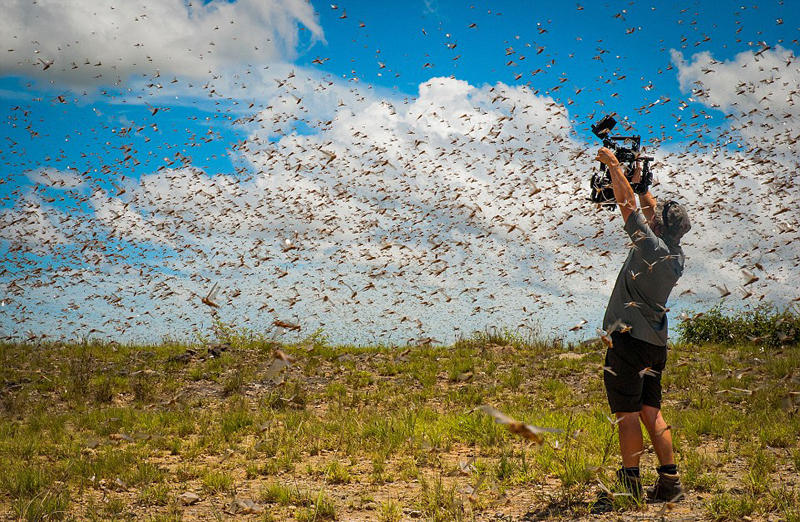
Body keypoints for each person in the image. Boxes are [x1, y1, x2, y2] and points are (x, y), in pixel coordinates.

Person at [591, 146, 691, 513]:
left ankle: (630, 487)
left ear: (660, 228)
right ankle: (670, 482)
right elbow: (647, 209)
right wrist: (641, 181)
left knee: (628, 415)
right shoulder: (675, 254)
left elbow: (628, 208)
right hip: (655, 345)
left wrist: (614, 166)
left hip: (628, 342)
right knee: (652, 411)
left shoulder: (650, 246)